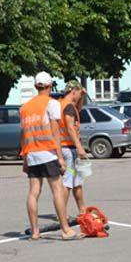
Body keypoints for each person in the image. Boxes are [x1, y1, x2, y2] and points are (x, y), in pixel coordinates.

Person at [20, 72, 82, 241]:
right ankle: (65, 229)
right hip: (47, 152)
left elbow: (23, 135)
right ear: (50, 86)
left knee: (33, 192)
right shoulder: (51, 103)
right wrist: (60, 157)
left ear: (35, 86)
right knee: (57, 190)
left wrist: (25, 159)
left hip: (32, 153)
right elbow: (55, 132)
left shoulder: (25, 107)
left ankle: (35, 231)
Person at [58, 80, 88, 216]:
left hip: (64, 148)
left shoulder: (61, 104)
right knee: (68, 183)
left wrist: (82, 97)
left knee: (76, 182)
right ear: (74, 91)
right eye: (78, 93)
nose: (79, 97)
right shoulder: (68, 106)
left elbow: (78, 110)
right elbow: (70, 128)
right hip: (69, 149)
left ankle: (82, 210)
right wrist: (79, 147)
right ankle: (62, 213)